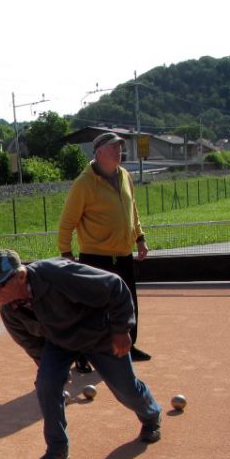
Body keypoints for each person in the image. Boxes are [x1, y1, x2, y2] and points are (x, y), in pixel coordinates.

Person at [0, 249, 161, 459]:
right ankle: (57, 448)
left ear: (21, 276)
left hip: (98, 334)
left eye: (0, 285)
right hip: (59, 342)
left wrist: (121, 331)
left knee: (125, 387)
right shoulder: (9, 309)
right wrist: (49, 371)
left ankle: (150, 416)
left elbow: (115, 286)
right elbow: (32, 344)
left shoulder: (57, 274)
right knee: (46, 385)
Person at [58, 131, 152, 362]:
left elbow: (133, 211)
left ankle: (129, 347)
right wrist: (66, 253)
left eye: (119, 147)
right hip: (96, 257)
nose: (119, 151)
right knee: (93, 310)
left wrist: (139, 238)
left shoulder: (125, 176)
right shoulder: (84, 183)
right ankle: (84, 354)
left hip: (123, 254)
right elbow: (67, 222)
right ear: (99, 153)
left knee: (128, 304)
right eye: (113, 147)